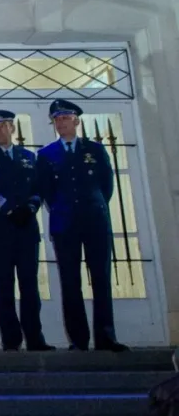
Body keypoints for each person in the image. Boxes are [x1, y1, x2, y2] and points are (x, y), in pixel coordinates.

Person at [36, 99, 128, 352]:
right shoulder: (46, 155)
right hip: (65, 224)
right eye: (56, 119)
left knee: (101, 278)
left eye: (65, 118)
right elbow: (47, 191)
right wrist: (65, 209)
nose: (61, 123)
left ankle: (106, 337)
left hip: (95, 221)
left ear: (76, 120)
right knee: (70, 282)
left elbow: (106, 185)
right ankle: (78, 340)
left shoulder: (95, 150)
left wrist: (92, 207)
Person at [0, 109, 54, 351]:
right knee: (4, 287)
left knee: (30, 286)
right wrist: (7, 209)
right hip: (0, 231)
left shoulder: (28, 155)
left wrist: (29, 208)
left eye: (3, 126)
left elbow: (39, 189)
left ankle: (35, 338)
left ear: (12, 128)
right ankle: (11, 340)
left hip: (26, 230)